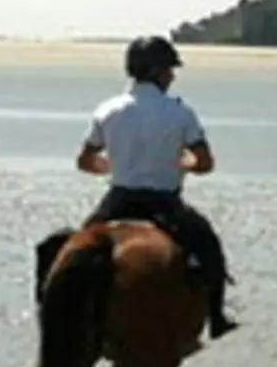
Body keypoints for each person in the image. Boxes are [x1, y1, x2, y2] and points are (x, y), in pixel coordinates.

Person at [76, 35, 238, 339]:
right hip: (164, 204)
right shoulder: (180, 113)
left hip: (119, 200)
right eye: (169, 70)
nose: (172, 76)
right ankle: (217, 317)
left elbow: (85, 161)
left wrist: (110, 166)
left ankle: (57, 312)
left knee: (70, 250)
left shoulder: (107, 110)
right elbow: (205, 163)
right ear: (155, 71)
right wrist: (185, 164)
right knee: (208, 247)